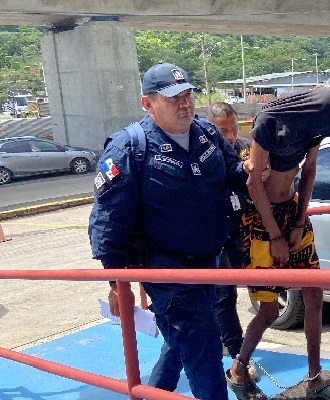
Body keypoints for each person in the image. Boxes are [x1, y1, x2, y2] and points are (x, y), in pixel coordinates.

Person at [89, 63, 249, 400]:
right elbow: (108, 222)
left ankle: (152, 394)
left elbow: (233, 170)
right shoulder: (129, 148)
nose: (185, 104)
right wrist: (118, 285)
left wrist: (253, 171)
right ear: (147, 103)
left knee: (181, 342)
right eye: (173, 97)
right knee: (204, 346)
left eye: (188, 95)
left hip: (209, 262)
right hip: (166, 269)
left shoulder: (206, 132)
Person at [225, 88, 330, 400]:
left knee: (315, 296)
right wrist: (276, 237)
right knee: (268, 309)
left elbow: (308, 171)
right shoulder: (268, 122)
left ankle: (314, 379)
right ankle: (239, 370)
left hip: (293, 214)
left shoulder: (313, 127)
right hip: (260, 222)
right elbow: (254, 184)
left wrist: (298, 221)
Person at [206, 102, 251, 359]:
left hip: (241, 227)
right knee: (224, 294)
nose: (231, 137)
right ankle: (236, 351)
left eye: (234, 129)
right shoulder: (202, 155)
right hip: (214, 234)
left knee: (251, 281)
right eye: (223, 132)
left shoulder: (245, 149)